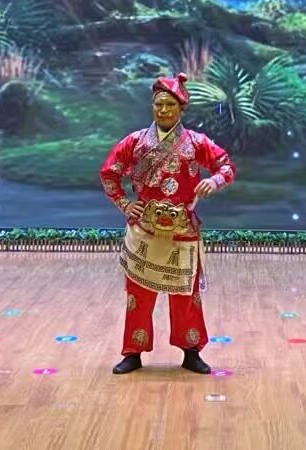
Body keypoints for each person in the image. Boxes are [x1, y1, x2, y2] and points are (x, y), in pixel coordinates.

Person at [99, 73, 235, 375]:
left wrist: (214, 181)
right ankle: (133, 352)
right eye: (158, 104)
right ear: (152, 106)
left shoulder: (196, 143)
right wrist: (125, 204)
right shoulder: (134, 142)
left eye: (170, 104)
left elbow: (226, 166)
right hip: (144, 230)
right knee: (138, 295)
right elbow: (109, 174)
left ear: (181, 108)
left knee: (186, 296)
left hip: (182, 231)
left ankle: (191, 351)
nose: (163, 110)